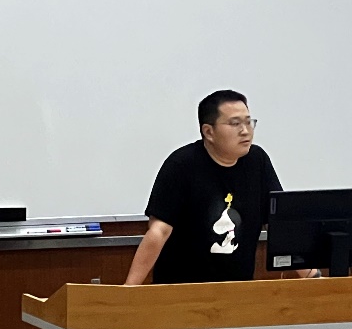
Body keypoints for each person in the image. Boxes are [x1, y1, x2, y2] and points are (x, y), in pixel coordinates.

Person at [123, 89, 319, 285]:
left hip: (238, 289)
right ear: (209, 132)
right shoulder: (182, 165)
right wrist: (129, 290)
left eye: (248, 122)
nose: (245, 131)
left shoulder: (257, 161)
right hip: (182, 290)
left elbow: (279, 227)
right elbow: (159, 231)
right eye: (235, 123)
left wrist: (313, 276)